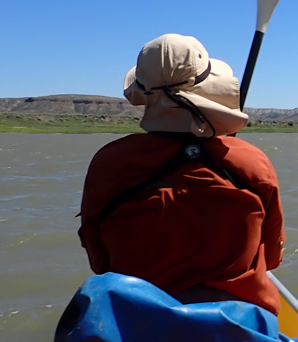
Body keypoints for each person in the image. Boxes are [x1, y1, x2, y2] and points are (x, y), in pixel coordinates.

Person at [77, 34, 284, 314]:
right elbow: (272, 257)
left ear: (143, 93)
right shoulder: (252, 162)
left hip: (135, 320)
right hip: (239, 322)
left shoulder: (110, 162)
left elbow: (99, 262)